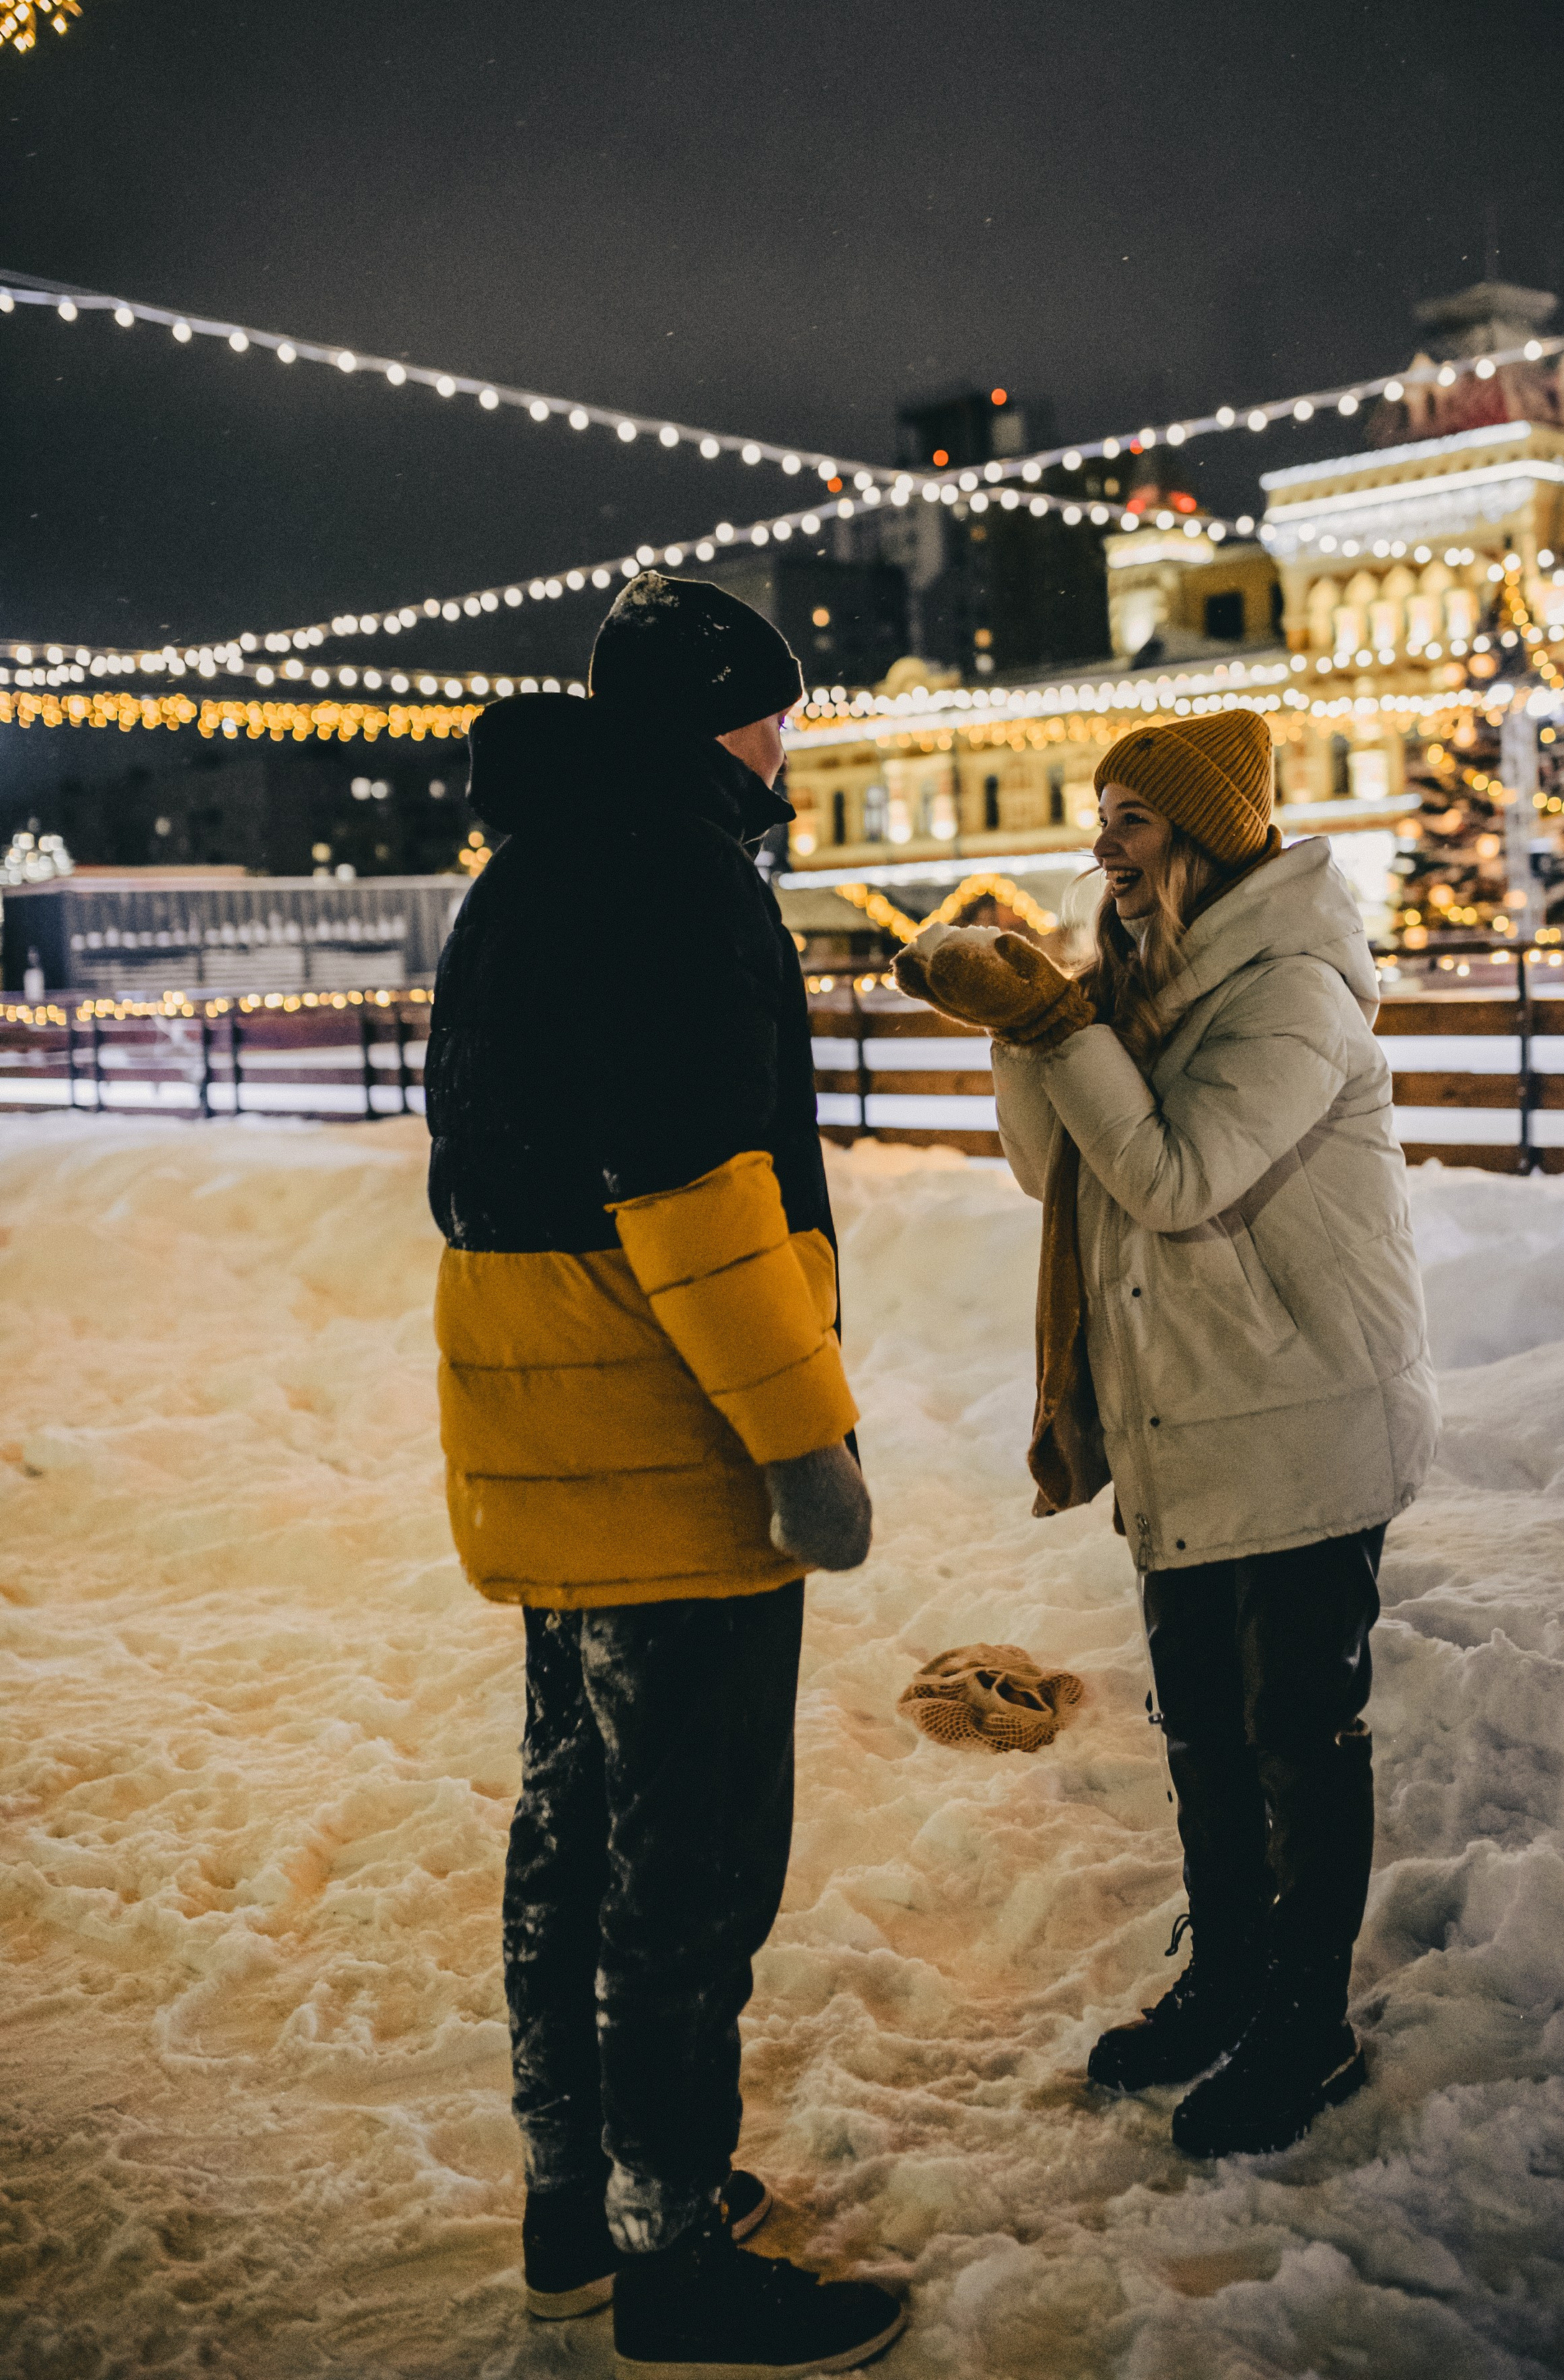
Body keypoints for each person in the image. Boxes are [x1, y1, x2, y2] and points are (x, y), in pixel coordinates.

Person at [425, 573, 905, 2373]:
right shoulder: (682, 881)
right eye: (775, 709)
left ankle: (581, 2218)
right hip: (668, 1440)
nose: (788, 744)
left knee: (568, 1833)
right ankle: (673, 2264)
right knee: (687, 1874)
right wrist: (804, 1446)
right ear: (721, 713)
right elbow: (703, 1201)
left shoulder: (524, 869)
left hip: (547, 1438)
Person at [897, 707, 1437, 2159]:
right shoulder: (1133, 978)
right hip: (1181, 1407)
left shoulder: (1291, 993)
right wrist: (1029, 1025)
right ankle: (1233, 1982)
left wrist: (1060, 1026)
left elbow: (1178, 1177)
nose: (1101, 848)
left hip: (1299, 1411)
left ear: (1200, 833)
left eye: (1129, 820)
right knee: (1200, 1727)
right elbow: (1050, 1174)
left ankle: (1304, 2027)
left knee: (1295, 1739)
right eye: (1102, 817)